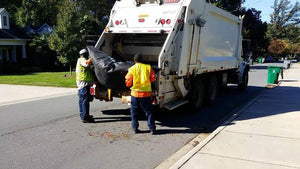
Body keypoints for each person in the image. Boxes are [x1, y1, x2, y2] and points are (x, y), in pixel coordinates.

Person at [125, 54, 157, 134]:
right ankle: (152, 128)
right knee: (149, 111)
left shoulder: (132, 69)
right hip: (145, 94)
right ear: (142, 60)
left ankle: (135, 128)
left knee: (134, 111)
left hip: (135, 94)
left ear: (134, 60)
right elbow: (153, 78)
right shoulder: (148, 68)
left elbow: (128, 82)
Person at [76, 49, 94, 123]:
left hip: (83, 83)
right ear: (84, 54)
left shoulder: (80, 60)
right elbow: (87, 63)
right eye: (87, 54)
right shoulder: (82, 60)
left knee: (82, 100)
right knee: (84, 101)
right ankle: (85, 117)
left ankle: (83, 115)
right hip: (84, 84)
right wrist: (93, 57)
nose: (88, 55)